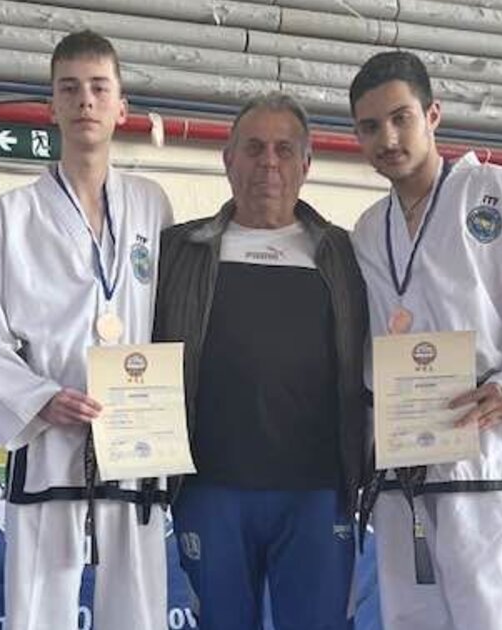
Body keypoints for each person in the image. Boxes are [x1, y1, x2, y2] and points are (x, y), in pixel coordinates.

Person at [348, 51, 502, 630]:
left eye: (400, 118)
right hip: (401, 459)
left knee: (496, 615)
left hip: (480, 448)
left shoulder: (497, 193)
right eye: (370, 126)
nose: (387, 138)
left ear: (433, 115)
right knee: (410, 617)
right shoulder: (368, 230)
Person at [0, 30, 173, 630]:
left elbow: (174, 318)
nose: (85, 101)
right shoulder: (12, 214)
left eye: (99, 88)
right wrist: (40, 398)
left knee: (139, 609)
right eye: (69, 89)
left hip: (134, 436)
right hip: (50, 435)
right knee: (37, 609)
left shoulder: (152, 206)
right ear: (51, 106)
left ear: (121, 106)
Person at [153, 92, 369, 630]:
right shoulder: (176, 251)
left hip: (318, 492)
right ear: (228, 159)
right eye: (253, 148)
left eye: (283, 149)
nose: (268, 162)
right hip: (209, 488)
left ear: (306, 164)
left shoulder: (348, 256)